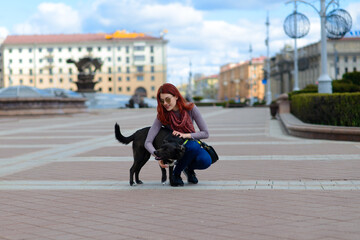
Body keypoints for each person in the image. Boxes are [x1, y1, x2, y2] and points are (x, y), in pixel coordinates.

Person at [145, 83, 212, 187]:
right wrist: (157, 155)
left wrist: (185, 135)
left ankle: (187, 168)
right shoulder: (162, 115)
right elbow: (148, 142)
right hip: (175, 150)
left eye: (168, 99)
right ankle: (176, 174)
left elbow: (205, 133)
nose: (165, 104)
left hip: (190, 144)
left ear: (176, 96)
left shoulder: (191, 108)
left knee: (205, 161)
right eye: (162, 101)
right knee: (193, 146)